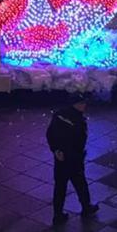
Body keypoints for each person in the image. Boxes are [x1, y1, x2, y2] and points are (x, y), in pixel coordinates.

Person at [46, 96, 97, 224]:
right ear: (77, 104)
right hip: (74, 158)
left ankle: (58, 215)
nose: (85, 106)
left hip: (61, 158)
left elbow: (50, 133)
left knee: (60, 187)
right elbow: (79, 141)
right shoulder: (78, 120)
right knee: (80, 183)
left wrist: (56, 150)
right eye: (83, 103)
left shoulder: (59, 115)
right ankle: (86, 207)